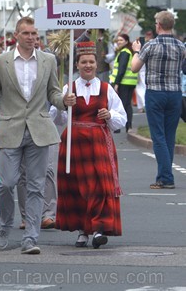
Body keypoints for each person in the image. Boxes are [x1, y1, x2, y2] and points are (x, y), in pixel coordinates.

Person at [0, 17, 69, 255]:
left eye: (34, 34)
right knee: (6, 184)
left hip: (40, 129)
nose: (31, 37)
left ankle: (30, 237)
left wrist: (64, 101)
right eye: (26, 33)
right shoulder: (1, 61)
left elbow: (53, 93)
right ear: (16, 35)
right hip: (11, 128)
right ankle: (5, 226)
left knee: (36, 187)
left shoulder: (48, 60)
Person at [51, 41, 125, 248]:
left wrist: (109, 114)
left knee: (100, 187)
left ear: (96, 64)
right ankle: (83, 230)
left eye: (91, 62)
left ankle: (99, 228)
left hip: (99, 143)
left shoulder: (106, 88)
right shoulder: (69, 88)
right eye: (84, 62)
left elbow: (122, 117)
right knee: (77, 188)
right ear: (77, 65)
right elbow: (56, 118)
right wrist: (64, 105)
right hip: (73, 144)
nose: (88, 65)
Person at [130, 11, 186, 189]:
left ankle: (166, 178)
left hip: (155, 93)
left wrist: (136, 51)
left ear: (159, 25)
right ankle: (164, 174)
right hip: (175, 93)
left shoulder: (150, 45)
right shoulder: (181, 46)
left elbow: (134, 68)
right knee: (169, 135)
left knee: (158, 136)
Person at [109, 33, 138, 132]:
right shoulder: (128, 51)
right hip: (130, 82)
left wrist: (116, 83)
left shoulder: (124, 52)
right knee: (127, 104)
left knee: (120, 105)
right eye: (118, 40)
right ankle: (128, 126)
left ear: (126, 41)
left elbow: (121, 69)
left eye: (121, 40)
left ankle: (119, 127)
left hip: (123, 82)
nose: (119, 42)